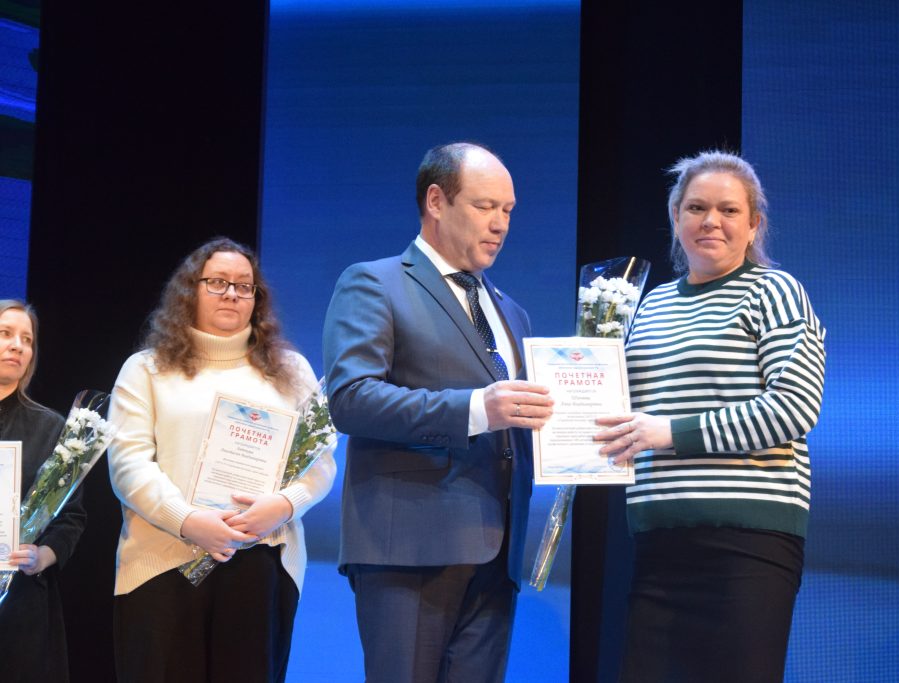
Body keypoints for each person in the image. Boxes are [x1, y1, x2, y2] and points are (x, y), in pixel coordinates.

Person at [323, 142, 554, 682]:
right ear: (435, 201)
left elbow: (516, 421)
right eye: (485, 206)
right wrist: (476, 408)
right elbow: (351, 398)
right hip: (408, 549)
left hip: (497, 553)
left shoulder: (511, 311)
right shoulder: (374, 282)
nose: (500, 224)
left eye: (508, 210)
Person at [595, 151, 826, 683]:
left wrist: (670, 433)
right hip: (659, 542)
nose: (711, 221)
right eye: (696, 208)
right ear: (675, 217)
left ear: (754, 224)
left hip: (747, 544)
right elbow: (619, 412)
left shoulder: (775, 292)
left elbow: (793, 407)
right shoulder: (649, 306)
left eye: (729, 210)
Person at [107, 237, 336, 682]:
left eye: (244, 286)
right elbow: (128, 464)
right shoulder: (146, 368)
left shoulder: (291, 370)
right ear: (190, 290)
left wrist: (283, 505)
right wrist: (188, 520)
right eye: (217, 282)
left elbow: (321, 460)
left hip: (261, 564)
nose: (231, 293)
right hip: (164, 563)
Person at [0, 299, 87, 683]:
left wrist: (41, 556)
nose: (17, 345)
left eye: (27, 339)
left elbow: (71, 518)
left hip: (19, 604)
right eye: (5, 334)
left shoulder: (51, 428)